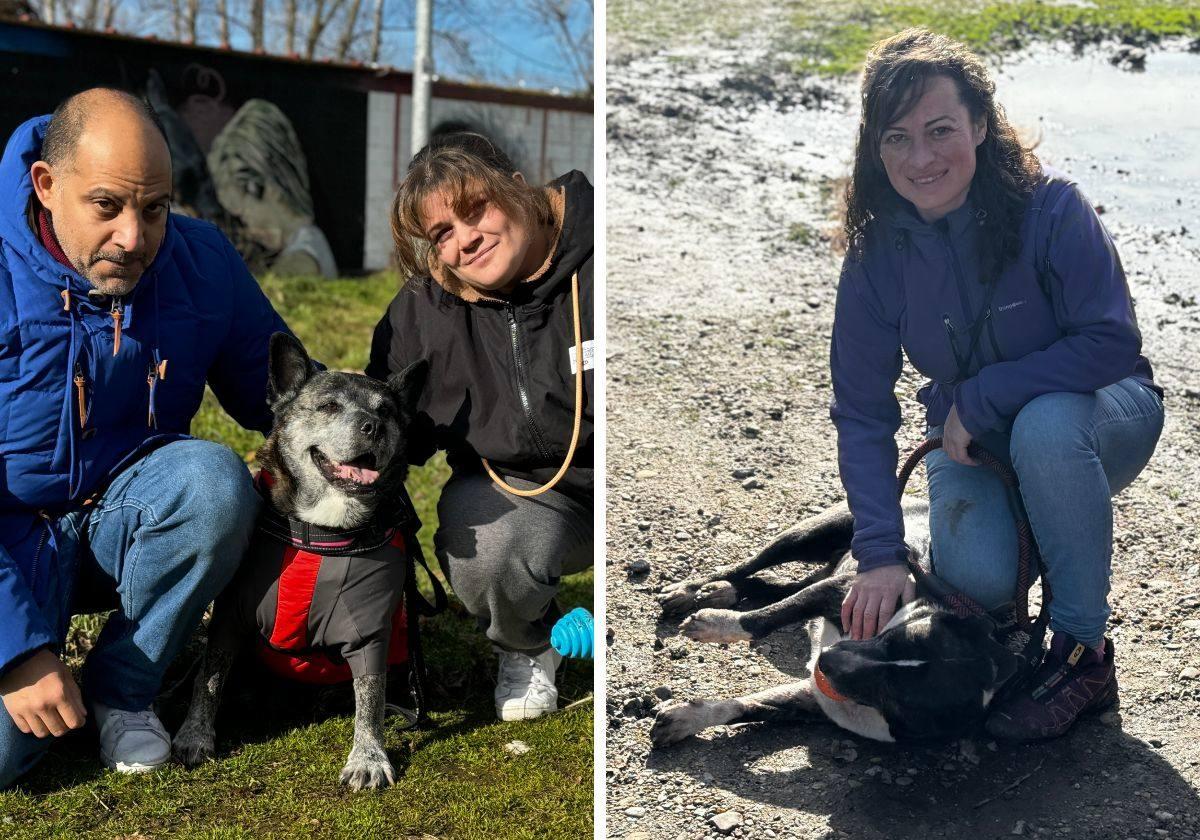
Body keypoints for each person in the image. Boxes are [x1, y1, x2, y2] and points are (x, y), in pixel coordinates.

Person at [829, 29, 1164, 741]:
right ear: (874, 148)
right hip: (974, 441)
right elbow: (862, 413)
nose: (921, 158)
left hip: (1105, 410)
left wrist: (982, 398)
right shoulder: (873, 257)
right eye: (897, 138)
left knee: (1046, 427)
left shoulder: (1053, 209)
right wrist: (881, 553)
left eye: (940, 129)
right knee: (977, 583)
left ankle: (1082, 652)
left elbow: (1111, 343)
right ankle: (1055, 528)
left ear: (981, 124)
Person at [0, 88, 291, 787]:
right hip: (8, 538)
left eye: (154, 209)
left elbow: (285, 396)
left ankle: (122, 688)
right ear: (46, 185)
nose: (134, 238)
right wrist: (15, 653)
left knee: (213, 484)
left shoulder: (202, 261)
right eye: (107, 206)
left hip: (125, 521)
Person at [367, 132, 593, 721]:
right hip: (524, 497)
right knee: (485, 548)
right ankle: (529, 645)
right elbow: (385, 431)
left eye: (475, 212)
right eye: (441, 233)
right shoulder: (422, 314)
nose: (465, 240)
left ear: (518, 190)